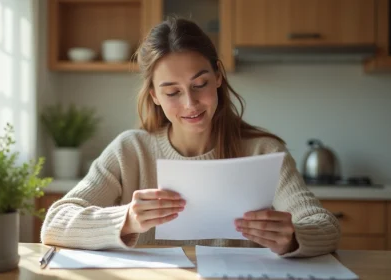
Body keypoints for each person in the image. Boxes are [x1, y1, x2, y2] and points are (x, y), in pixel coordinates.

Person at [41, 17, 340, 257]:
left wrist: (292, 239)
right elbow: (55, 223)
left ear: (218, 77)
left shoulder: (264, 151)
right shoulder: (130, 150)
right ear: (154, 95)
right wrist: (128, 219)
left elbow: (325, 226)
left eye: (200, 84)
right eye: (172, 92)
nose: (190, 104)